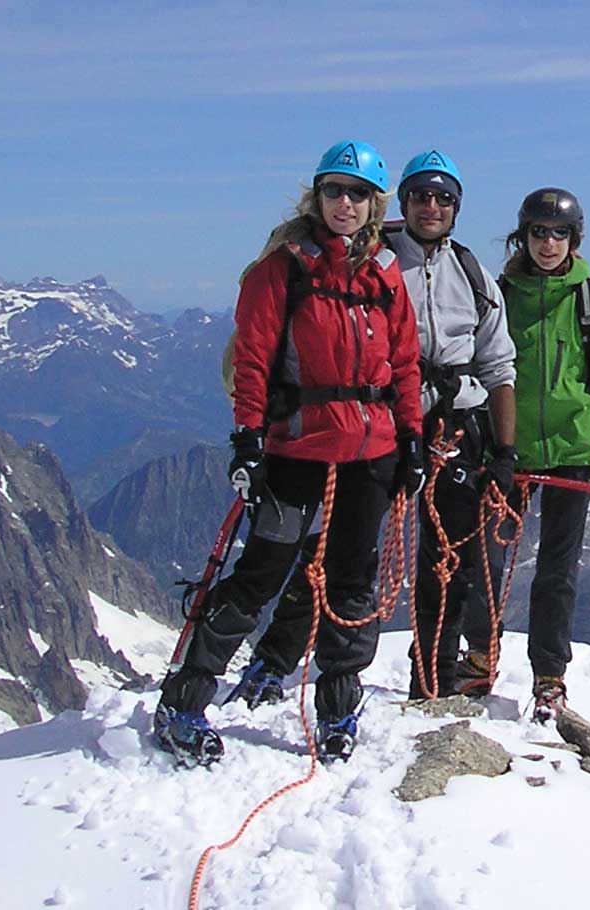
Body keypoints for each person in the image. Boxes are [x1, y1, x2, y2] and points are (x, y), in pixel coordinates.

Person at [153, 139, 425, 767]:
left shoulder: (384, 273)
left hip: (372, 448)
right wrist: (247, 437)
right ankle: (184, 700)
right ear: (317, 195)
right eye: (335, 190)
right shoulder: (281, 269)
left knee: (351, 578)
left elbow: (404, 362)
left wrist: (409, 436)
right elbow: (253, 356)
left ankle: (337, 704)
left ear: (374, 202)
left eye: (358, 194)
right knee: (264, 571)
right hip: (297, 444)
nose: (346, 203)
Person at [233, 150, 517, 705]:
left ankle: (431, 681)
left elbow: (499, 365)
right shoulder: (371, 261)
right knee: (340, 548)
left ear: (456, 208)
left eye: (442, 198)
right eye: (419, 196)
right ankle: (276, 657)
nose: (430, 207)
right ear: (401, 202)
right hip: (379, 422)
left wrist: (504, 452)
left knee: (448, 557)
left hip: (456, 426)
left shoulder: (474, 276)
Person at [458, 187, 590, 721]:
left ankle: (549, 675)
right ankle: (480, 655)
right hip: (507, 451)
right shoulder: (498, 297)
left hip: (572, 451)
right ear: (524, 237)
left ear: (574, 239)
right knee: (487, 562)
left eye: (558, 233)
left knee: (557, 571)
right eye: (538, 232)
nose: (548, 243)